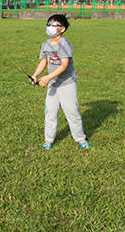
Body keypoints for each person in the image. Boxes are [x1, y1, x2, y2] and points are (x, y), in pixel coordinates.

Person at [30, 14, 90, 150]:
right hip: (53, 84)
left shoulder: (64, 45)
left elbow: (63, 66)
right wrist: (35, 75)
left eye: (54, 25)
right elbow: (43, 61)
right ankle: (48, 140)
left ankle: (80, 138)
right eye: (49, 24)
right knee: (50, 112)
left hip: (66, 84)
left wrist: (47, 78)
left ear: (62, 29)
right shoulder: (45, 44)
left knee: (72, 112)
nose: (50, 27)